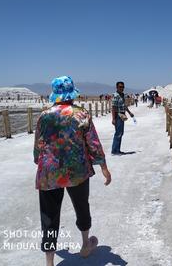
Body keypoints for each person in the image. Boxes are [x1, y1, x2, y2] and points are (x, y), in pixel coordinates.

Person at [34, 76, 112, 266]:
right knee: (81, 206)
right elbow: (92, 143)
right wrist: (103, 166)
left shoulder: (44, 115)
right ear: (72, 93)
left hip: (49, 172)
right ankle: (86, 244)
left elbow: (38, 145)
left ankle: (49, 262)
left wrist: (40, 161)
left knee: (49, 216)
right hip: (77, 172)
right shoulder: (81, 114)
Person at [111, 81, 135, 155]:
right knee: (118, 133)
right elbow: (113, 108)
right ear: (117, 87)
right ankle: (114, 151)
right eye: (120, 87)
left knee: (121, 133)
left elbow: (124, 106)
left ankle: (117, 149)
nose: (122, 88)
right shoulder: (116, 95)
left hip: (122, 115)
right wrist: (113, 119)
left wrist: (129, 112)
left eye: (123, 87)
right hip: (118, 115)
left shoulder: (122, 95)